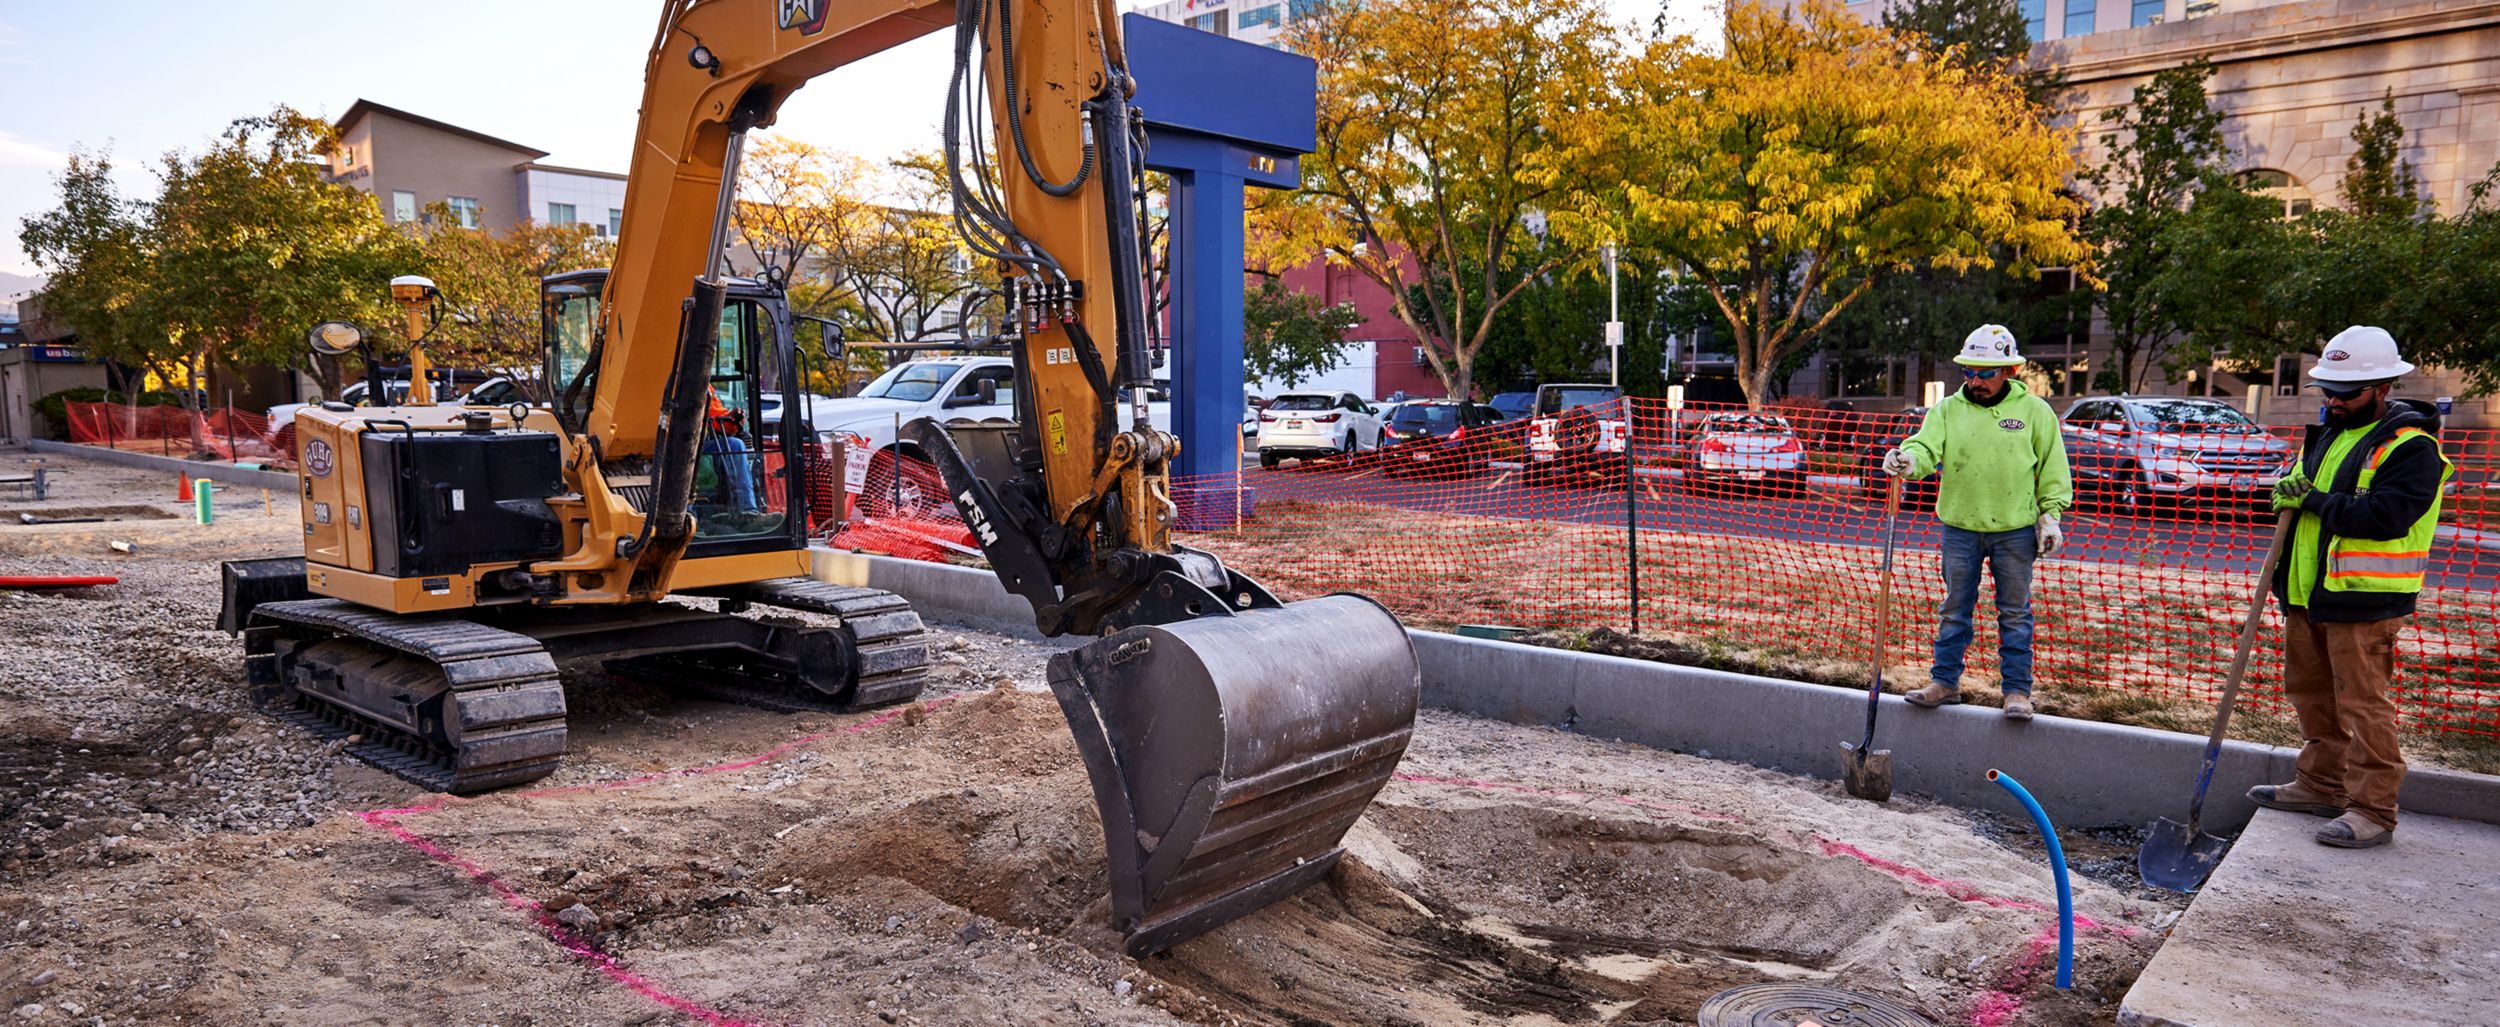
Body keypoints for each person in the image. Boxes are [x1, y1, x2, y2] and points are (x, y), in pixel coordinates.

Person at [2247, 326, 2452, 850]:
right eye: (2328, 391)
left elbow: (2387, 517)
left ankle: (2373, 810)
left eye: (2347, 392)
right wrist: (2284, 494)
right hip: (2306, 595)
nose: (2335, 402)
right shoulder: (2330, 435)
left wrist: (2312, 499)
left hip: (2363, 600)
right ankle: (2321, 784)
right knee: (2312, 698)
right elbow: (2298, 497)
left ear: (2384, 387)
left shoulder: (2411, 448)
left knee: (2362, 705)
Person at [1881, 325, 2073, 721]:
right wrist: (1908, 459)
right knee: (1954, 609)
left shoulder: (2034, 413)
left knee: (2015, 613)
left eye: (1985, 373)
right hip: (1960, 529)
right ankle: (1945, 683)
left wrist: (2050, 516)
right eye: (1969, 371)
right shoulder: (1948, 409)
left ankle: (2017, 691)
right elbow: (1925, 446)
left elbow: (2054, 467)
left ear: (2009, 371)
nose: (1975, 380)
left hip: (2015, 532)